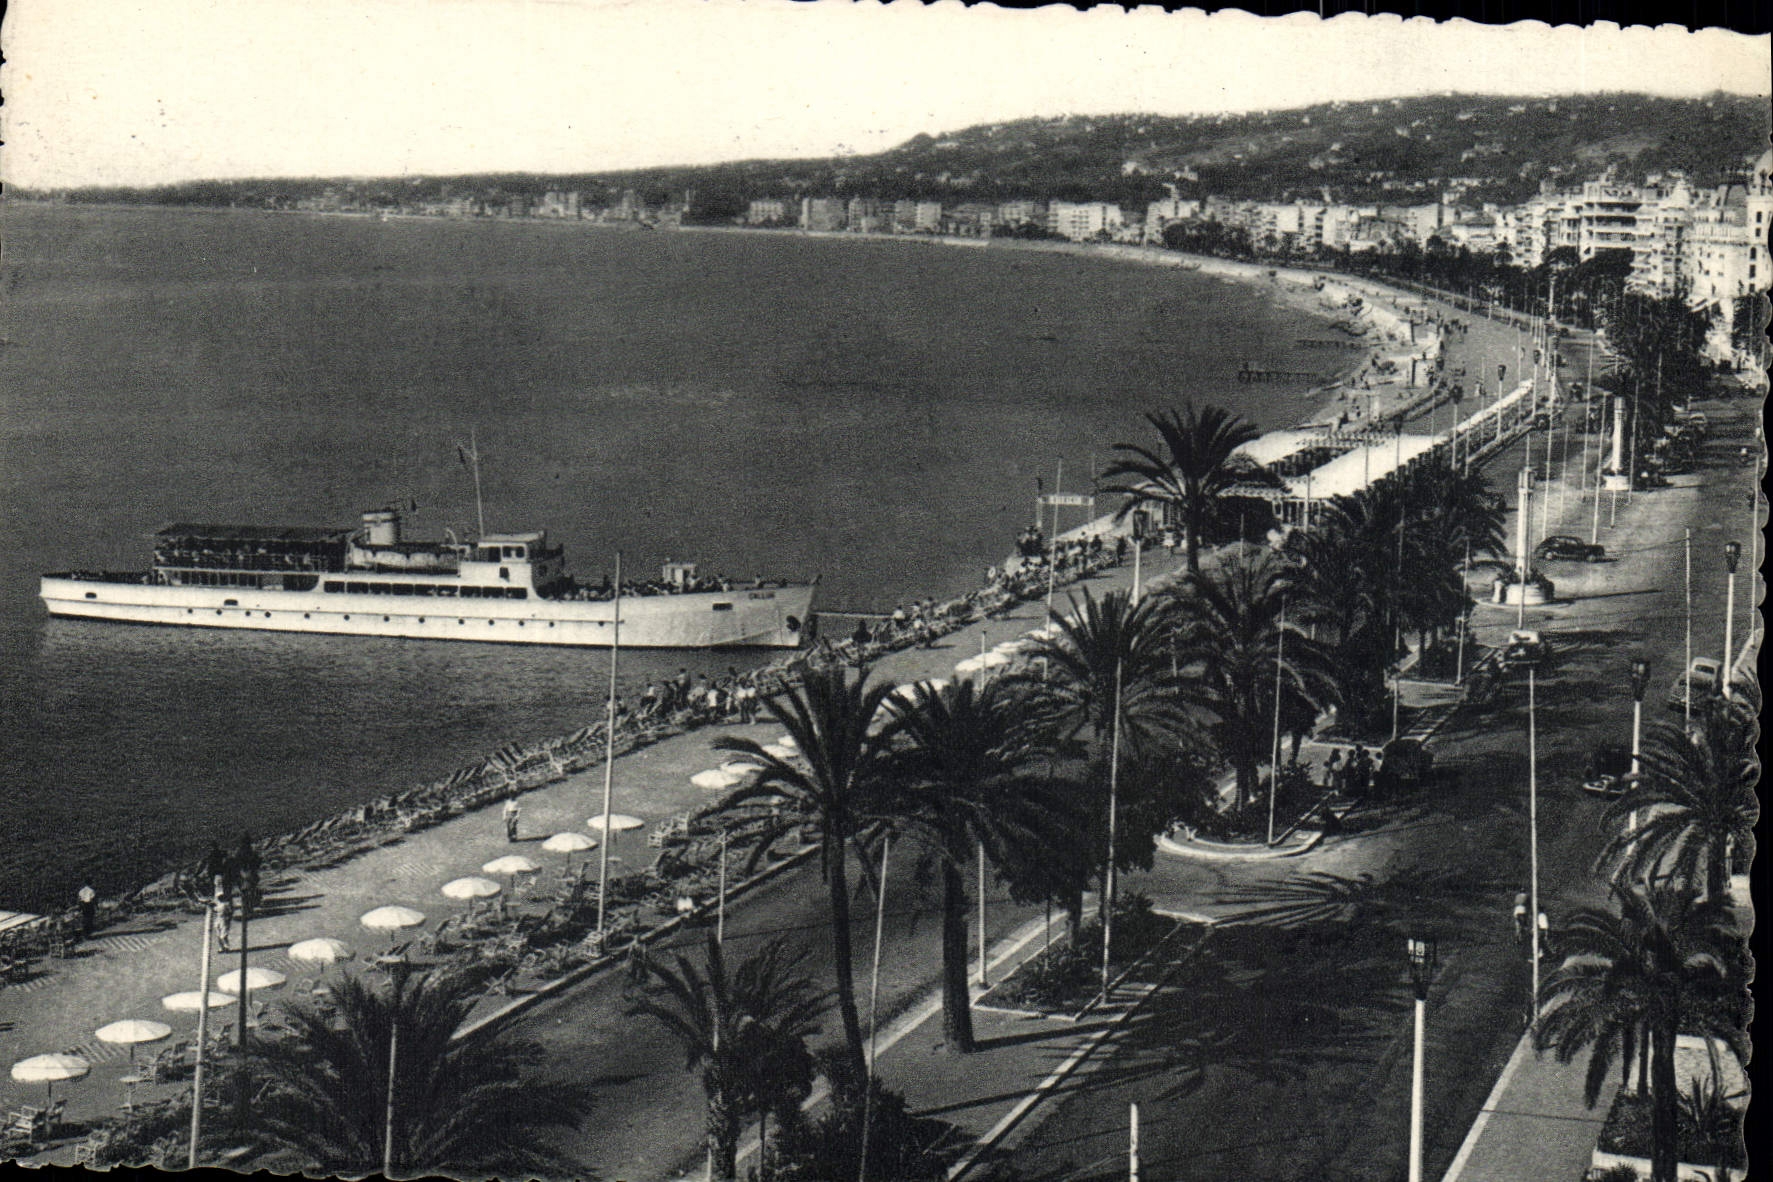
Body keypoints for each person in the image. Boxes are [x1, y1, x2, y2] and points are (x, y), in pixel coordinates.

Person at [214, 877, 233, 953]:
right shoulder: (217, 904)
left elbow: (230, 912)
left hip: (224, 919)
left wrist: (228, 919)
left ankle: (227, 947)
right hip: (218, 919)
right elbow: (215, 910)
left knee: (224, 935)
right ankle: (221, 948)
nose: (220, 898)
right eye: (219, 897)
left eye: (221, 896)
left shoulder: (226, 904)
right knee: (218, 934)